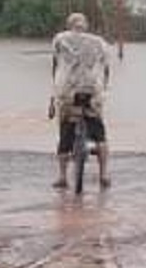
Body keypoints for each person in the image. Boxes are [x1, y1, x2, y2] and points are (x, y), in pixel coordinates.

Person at [49, 13, 112, 190]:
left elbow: (55, 67)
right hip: (92, 92)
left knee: (65, 132)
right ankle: (104, 174)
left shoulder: (60, 39)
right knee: (99, 132)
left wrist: (53, 97)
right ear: (86, 26)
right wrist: (103, 90)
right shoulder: (99, 42)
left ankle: (62, 177)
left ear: (70, 26)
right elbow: (106, 69)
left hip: (67, 92)